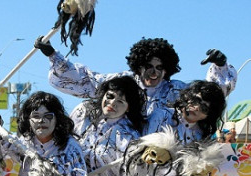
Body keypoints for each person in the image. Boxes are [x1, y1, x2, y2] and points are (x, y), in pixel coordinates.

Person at [34, 37, 237, 133]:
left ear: (167, 69)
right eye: (148, 66)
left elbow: (208, 98)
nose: (154, 72)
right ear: (138, 66)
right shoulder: (123, 84)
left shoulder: (175, 90)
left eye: (160, 67)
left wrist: (220, 66)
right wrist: (53, 55)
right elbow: (85, 79)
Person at [68, 76, 145, 176]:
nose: (112, 103)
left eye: (120, 101)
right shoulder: (86, 123)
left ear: (128, 107)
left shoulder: (128, 136)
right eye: (109, 96)